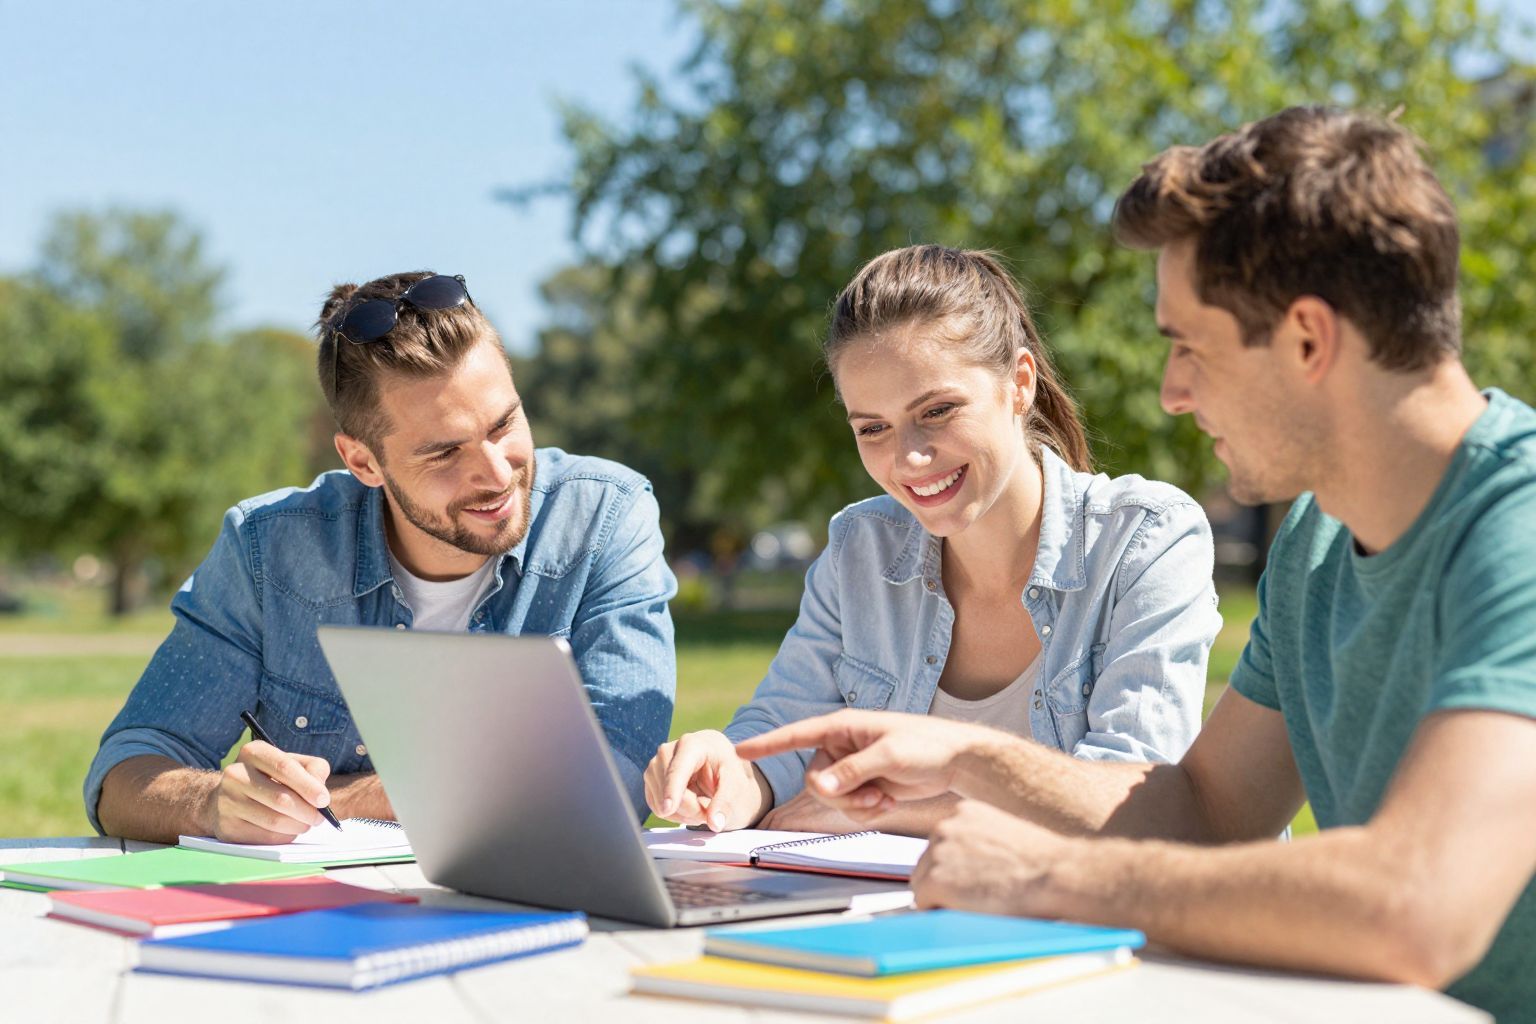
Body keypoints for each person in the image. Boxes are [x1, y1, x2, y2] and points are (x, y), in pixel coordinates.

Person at [736, 107, 1536, 1023]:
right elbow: (1204, 810)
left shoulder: (1519, 525)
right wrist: (967, 755)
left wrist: (1049, 872)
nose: (1172, 393)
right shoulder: (1317, 542)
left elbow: (1418, 905)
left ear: (1310, 340)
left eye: (1188, 346)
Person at [646, 245, 1222, 835]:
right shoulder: (859, 548)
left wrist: (882, 812)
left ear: (1019, 385)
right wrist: (729, 777)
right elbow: (785, 731)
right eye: (873, 428)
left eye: (939, 410)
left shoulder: (1146, 539)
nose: (910, 458)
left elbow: (1135, 788)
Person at [87, 271, 677, 844]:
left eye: (504, 424)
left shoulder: (605, 517)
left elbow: (614, 785)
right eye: (445, 453)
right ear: (363, 462)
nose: (498, 474)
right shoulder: (269, 548)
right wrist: (213, 803)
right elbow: (123, 777)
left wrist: (359, 798)